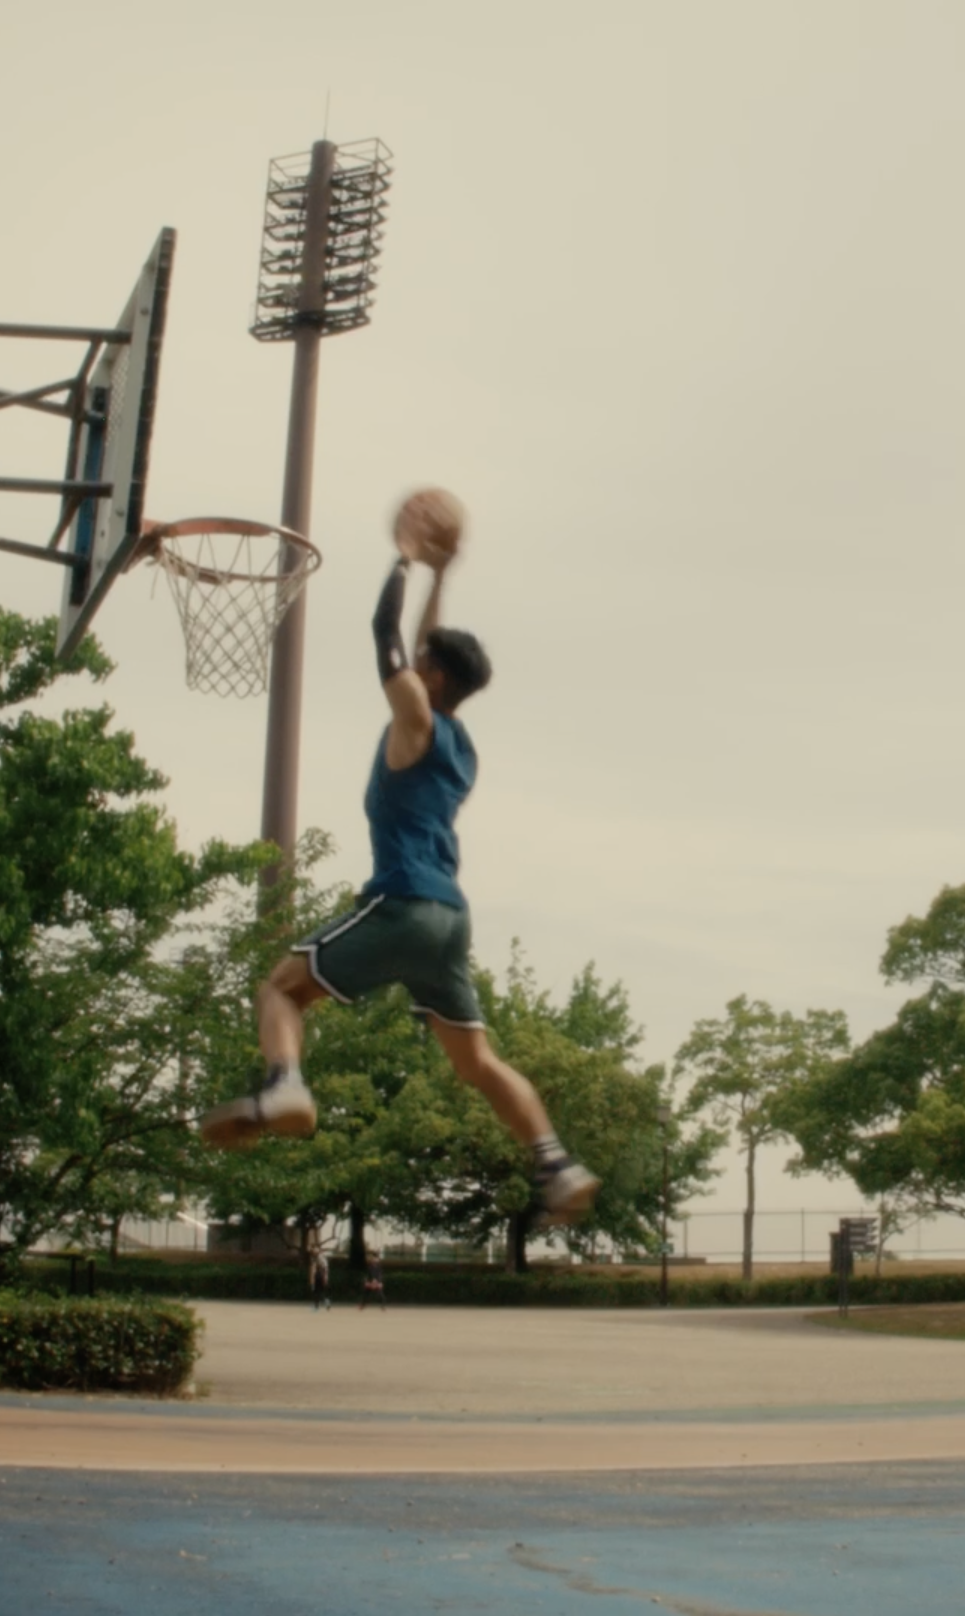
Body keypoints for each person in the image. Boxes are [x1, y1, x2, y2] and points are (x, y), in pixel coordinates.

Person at [200, 497, 600, 1229]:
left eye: (423, 665)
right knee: (476, 1063)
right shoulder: (458, 743)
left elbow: (388, 636)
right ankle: (556, 1162)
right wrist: (442, 576)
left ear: (432, 681)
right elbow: (423, 646)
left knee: (283, 991)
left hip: (404, 900)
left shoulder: (413, 718)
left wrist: (405, 558)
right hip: (450, 919)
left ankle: (285, 1083)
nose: (413, 664)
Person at [308, 1246, 332, 1311]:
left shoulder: (319, 1258)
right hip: (321, 1275)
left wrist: (325, 1277)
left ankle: (317, 1306)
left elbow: (324, 1268)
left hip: (320, 1275)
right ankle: (325, 1302)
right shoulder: (320, 1257)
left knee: (317, 1291)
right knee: (320, 1291)